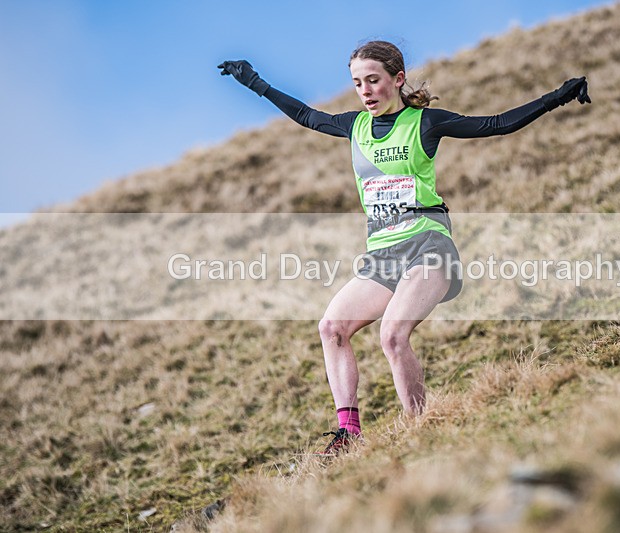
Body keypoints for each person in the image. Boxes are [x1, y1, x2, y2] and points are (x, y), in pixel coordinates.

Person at [218, 40, 590, 455]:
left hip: (428, 246)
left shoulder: (424, 123)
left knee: (393, 335)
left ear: (397, 80)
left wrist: (557, 97)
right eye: (358, 83)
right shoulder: (353, 126)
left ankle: (421, 427)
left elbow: (496, 124)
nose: (365, 91)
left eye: (374, 80)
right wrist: (255, 83)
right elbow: (306, 115)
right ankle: (348, 433)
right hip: (382, 255)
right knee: (331, 327)